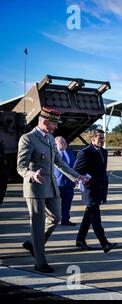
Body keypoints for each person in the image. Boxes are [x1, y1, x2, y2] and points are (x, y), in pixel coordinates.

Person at [17, 106, 89, 273]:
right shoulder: (27, 139)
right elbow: (20, 167)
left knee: (56, 218)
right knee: (37, 225)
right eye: (54, 124)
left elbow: (59, 162)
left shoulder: (50, 138)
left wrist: (77, 177)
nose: (56, 127)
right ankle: (40, 262)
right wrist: (32, 174)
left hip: (51, 186)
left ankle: (33, 243)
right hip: (35, 188)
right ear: (45, 122)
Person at [74, 128, 116, 253]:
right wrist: (88, 178)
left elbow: (102, 171)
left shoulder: (103, 152)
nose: (103, 140)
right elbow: (76, 170)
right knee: (96, 218)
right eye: (100, 138)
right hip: (90, 190)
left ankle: (80, 240)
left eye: (103, 138)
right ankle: (104, 243)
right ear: (92, 139)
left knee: (88, 217)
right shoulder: (84, 153)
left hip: (100, 188)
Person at [53, 136, 77, 226]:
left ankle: (65, 220)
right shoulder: (53, 154)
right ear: (55, 144)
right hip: (57, 184)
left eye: (65, 142)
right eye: (61, 142)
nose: (64, 144)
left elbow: (74, 168)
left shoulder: (70, 153)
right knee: (55, 205)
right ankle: (53, 220)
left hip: (69, 184)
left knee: (67, 204)